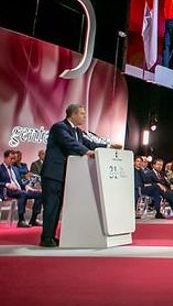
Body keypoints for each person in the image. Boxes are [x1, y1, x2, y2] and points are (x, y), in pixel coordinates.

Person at [40, 104, 117, 247]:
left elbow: (90, 143)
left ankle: (51, 235)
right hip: (53, 174)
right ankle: (46, 237)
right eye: (82, 114)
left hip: (66, 174)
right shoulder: (59, 127)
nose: (84, 116)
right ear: (72, 115)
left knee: (58, 207)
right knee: (51, 206)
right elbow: (70, 143)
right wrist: (86, 152)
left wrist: (109, 147)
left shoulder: (78, 132)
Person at [1, 149, 42, 227]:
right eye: (11, 159)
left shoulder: (15, 169)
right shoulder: (1, 169)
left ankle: (33, 219)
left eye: (14, 159)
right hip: (7, 191)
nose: (13, 161)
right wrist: (7, 184)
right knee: (23, 194)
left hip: (20, 190)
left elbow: (20, 182)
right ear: (5, 158)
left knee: (39, 194)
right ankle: (21, 220)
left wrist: (26, 186)